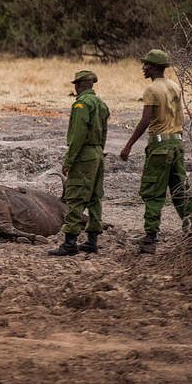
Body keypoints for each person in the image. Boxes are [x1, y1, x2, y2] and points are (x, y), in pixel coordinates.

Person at [120, 49, 192, 254]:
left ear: (155, 67)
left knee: (154, 192)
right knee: (180, 190)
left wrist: (129, 145)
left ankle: (150, 238)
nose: (143, 68)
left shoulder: (152, 89)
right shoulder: (174, 86)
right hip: (177, 144)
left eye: (147, 65)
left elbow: (145, 120)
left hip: (160, 147)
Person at [49, 70, 109, 256]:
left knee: (75, 196)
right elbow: (104, 132)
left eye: (76, 84)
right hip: (98, 153)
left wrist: (69, 160)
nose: (75, 88)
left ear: (80, 85)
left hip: (84, 155)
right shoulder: (101, 104)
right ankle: (92, 241)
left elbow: (78, 136)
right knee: (94, 198)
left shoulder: (81, 104)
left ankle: (70, 243)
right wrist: (98, 152)